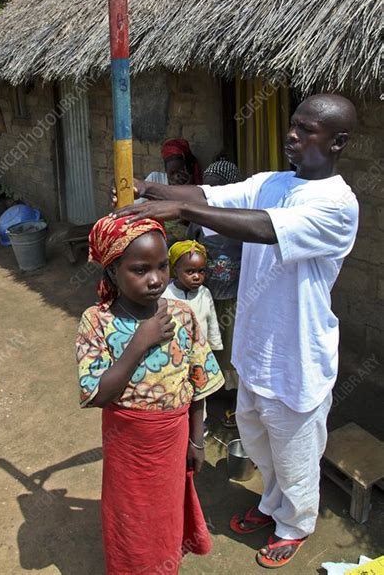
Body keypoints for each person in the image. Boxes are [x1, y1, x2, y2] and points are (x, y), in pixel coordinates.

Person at [111, 94, 359, 569]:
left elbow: (263, 227)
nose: (292, 135)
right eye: (293, 125)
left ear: (338, 142)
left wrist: (176, 214)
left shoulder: (337, 206)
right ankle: (271, 505)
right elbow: (206, 196)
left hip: (297, 355)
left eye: (307, 129)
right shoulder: (273, 182)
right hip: (256, 345)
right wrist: (144, 190)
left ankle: (297, 523)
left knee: (295, 450)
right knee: (258, 436)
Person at [76, 214, 224, 574]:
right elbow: (96, 394)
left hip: (172, 439)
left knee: (166, 514)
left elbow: (198, 382)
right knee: (130, 517)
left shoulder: (183, 315)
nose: (156, 279)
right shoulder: (97, 322)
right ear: (112, 272)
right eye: (140, 269)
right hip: (126, 443)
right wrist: (139, 343)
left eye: (161, 267)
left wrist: (197, 440)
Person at [187, 159, 243, 427]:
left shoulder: (243, 222)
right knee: (206, 346)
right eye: (207, 189)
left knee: (232, 349)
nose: (212, 195)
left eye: (218, 189)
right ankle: (207, 400)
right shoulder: (199, 221)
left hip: (234, 299)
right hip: (205, 298)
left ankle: (234, 402)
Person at [163, 239, 224, 438]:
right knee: (176, 388)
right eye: (190, 271)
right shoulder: (165, 296)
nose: (197, 276)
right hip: (175, 356)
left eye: (201, 271)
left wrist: (213, 347)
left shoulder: (205, 293)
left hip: (200, 354)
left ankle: (199, 425)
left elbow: (212, 320)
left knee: (200, 389)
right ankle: (176, 423)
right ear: (174, 270)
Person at [141, 138, 202, 244]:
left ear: (188, 168)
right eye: (172, 173)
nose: (176, 176)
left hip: (178, 235)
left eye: (181, 171)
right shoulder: (155, 179)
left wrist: (185, 189)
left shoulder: (194, 189)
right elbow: (138, 206)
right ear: (165, 170)